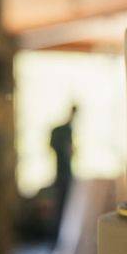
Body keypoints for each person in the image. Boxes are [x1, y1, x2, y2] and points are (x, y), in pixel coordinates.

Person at [49, 104, 77, 244]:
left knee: (63, 208)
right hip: (62, 175)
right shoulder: (62, 131)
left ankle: (58, 240)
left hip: (65, 175)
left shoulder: (66, 130)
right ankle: (56, 240)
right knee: (60, 208)